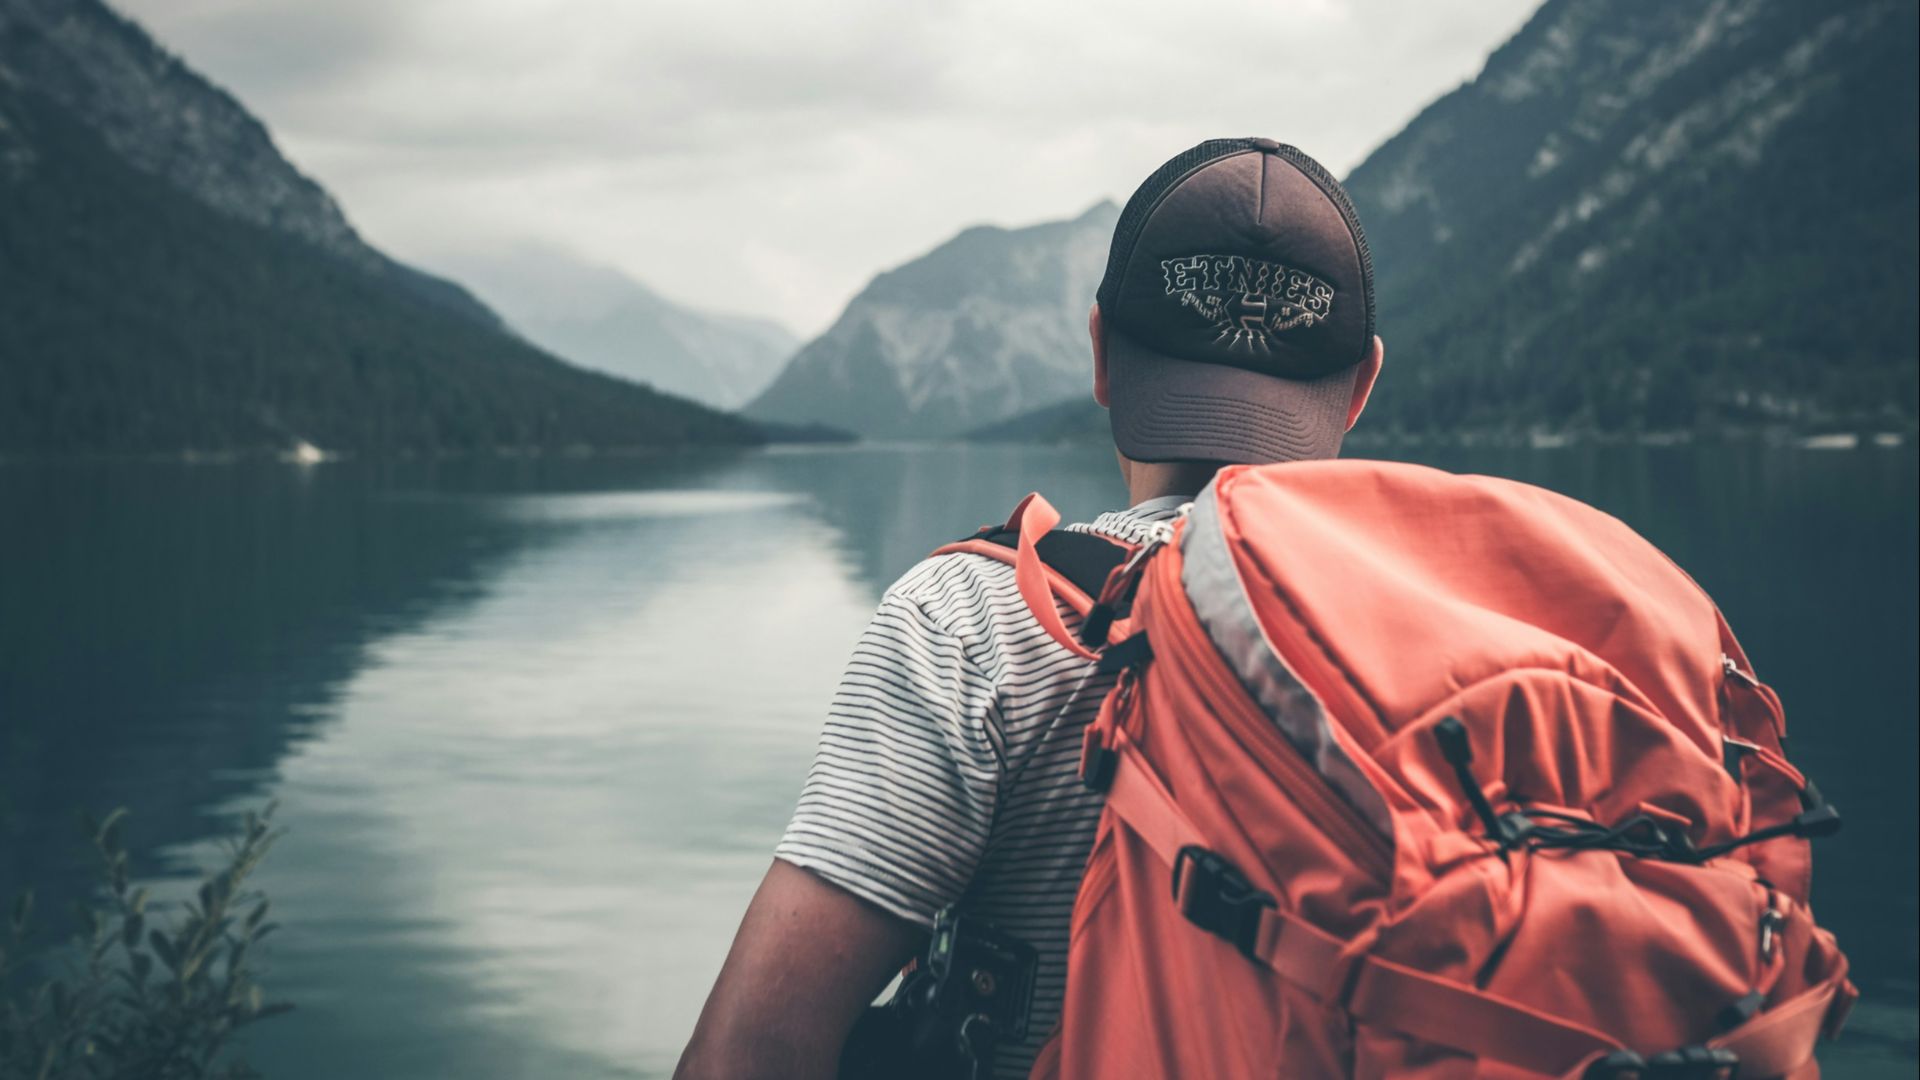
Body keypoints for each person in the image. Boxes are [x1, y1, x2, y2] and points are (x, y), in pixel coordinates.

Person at [675, 137, 1385, 1080]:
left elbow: (749, 1057)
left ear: (1099, 354)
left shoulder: (971, 621)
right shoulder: (1467, 639)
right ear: (1361, 387)